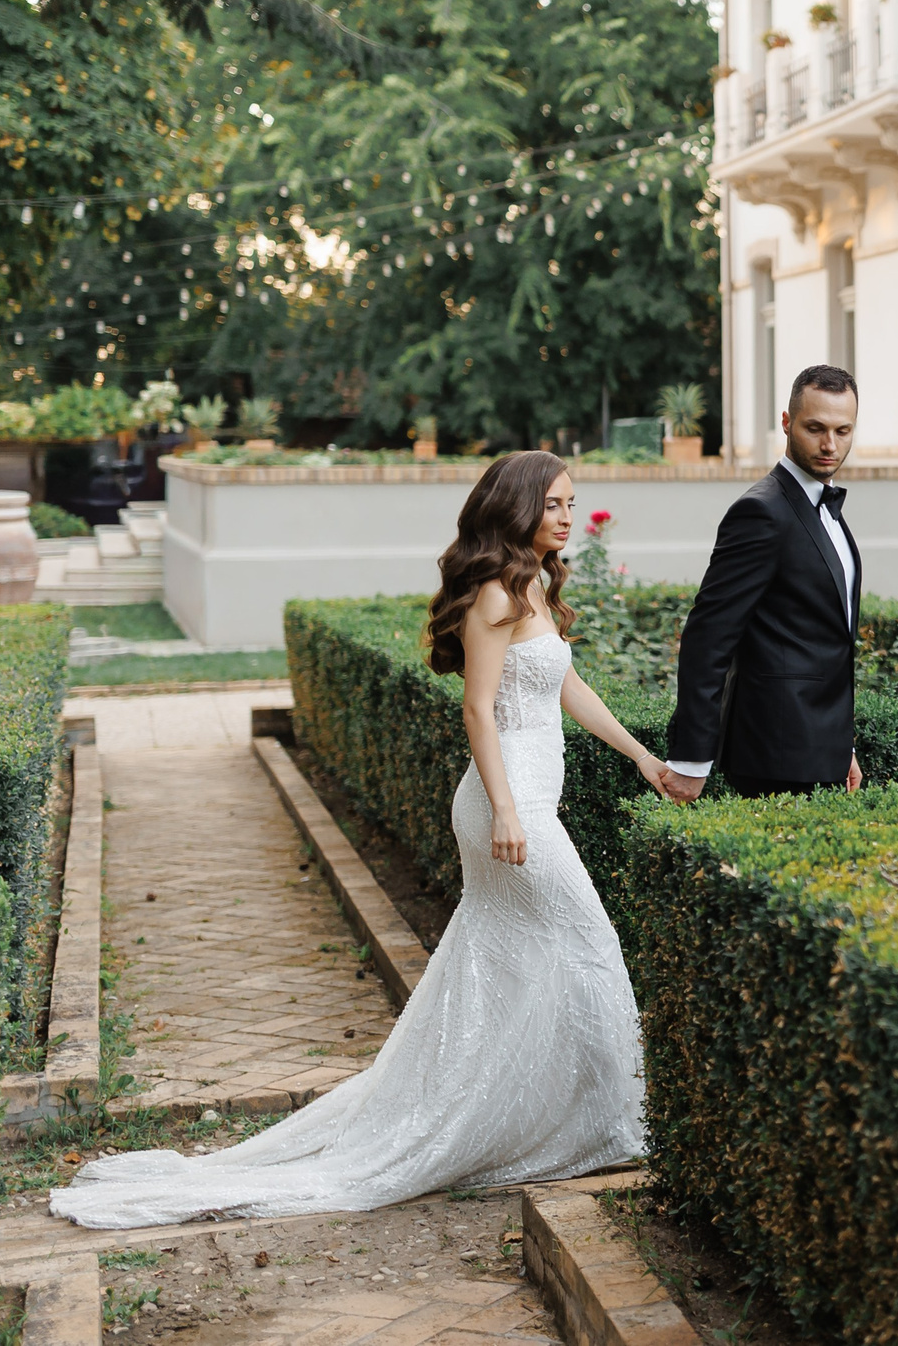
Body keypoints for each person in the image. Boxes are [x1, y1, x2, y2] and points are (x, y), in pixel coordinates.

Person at [50, 452, 682, 1228]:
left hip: (526, 799)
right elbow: (478, 708)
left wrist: (641, 756)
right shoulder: (495, 591)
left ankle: (546, 1115)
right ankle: (613, 1123)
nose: (566, 516)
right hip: (508, 803)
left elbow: (567, 686)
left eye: (571, 503)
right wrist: (507, 810)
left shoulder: (536, 585)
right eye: (553, 503)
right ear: (517, 506)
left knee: (512, 960)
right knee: (587, 940)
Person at [664, 364, 865, 800]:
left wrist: (841, 745)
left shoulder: (825, 507)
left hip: (821, 749)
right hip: (775, 757)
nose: (830, 445)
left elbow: (821, 640)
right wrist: (691, 760)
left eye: (843, 431)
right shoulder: (760, 512)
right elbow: (708, 635)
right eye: (815, 428)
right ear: (787, 422)